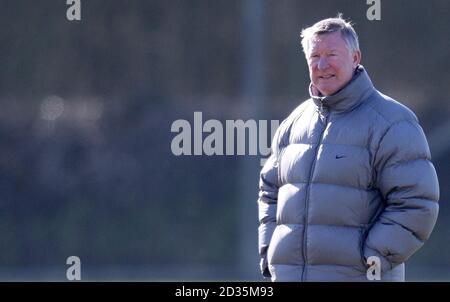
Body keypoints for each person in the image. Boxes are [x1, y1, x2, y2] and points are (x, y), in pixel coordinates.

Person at [257, 15, 439, 281]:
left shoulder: (392, 122)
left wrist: (371, 258)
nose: (322, 64)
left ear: (356, 58)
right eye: (314, 55)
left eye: (332, 54)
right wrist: (270, 254)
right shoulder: (293, 123)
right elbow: (270, 192)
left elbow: (417, 202)